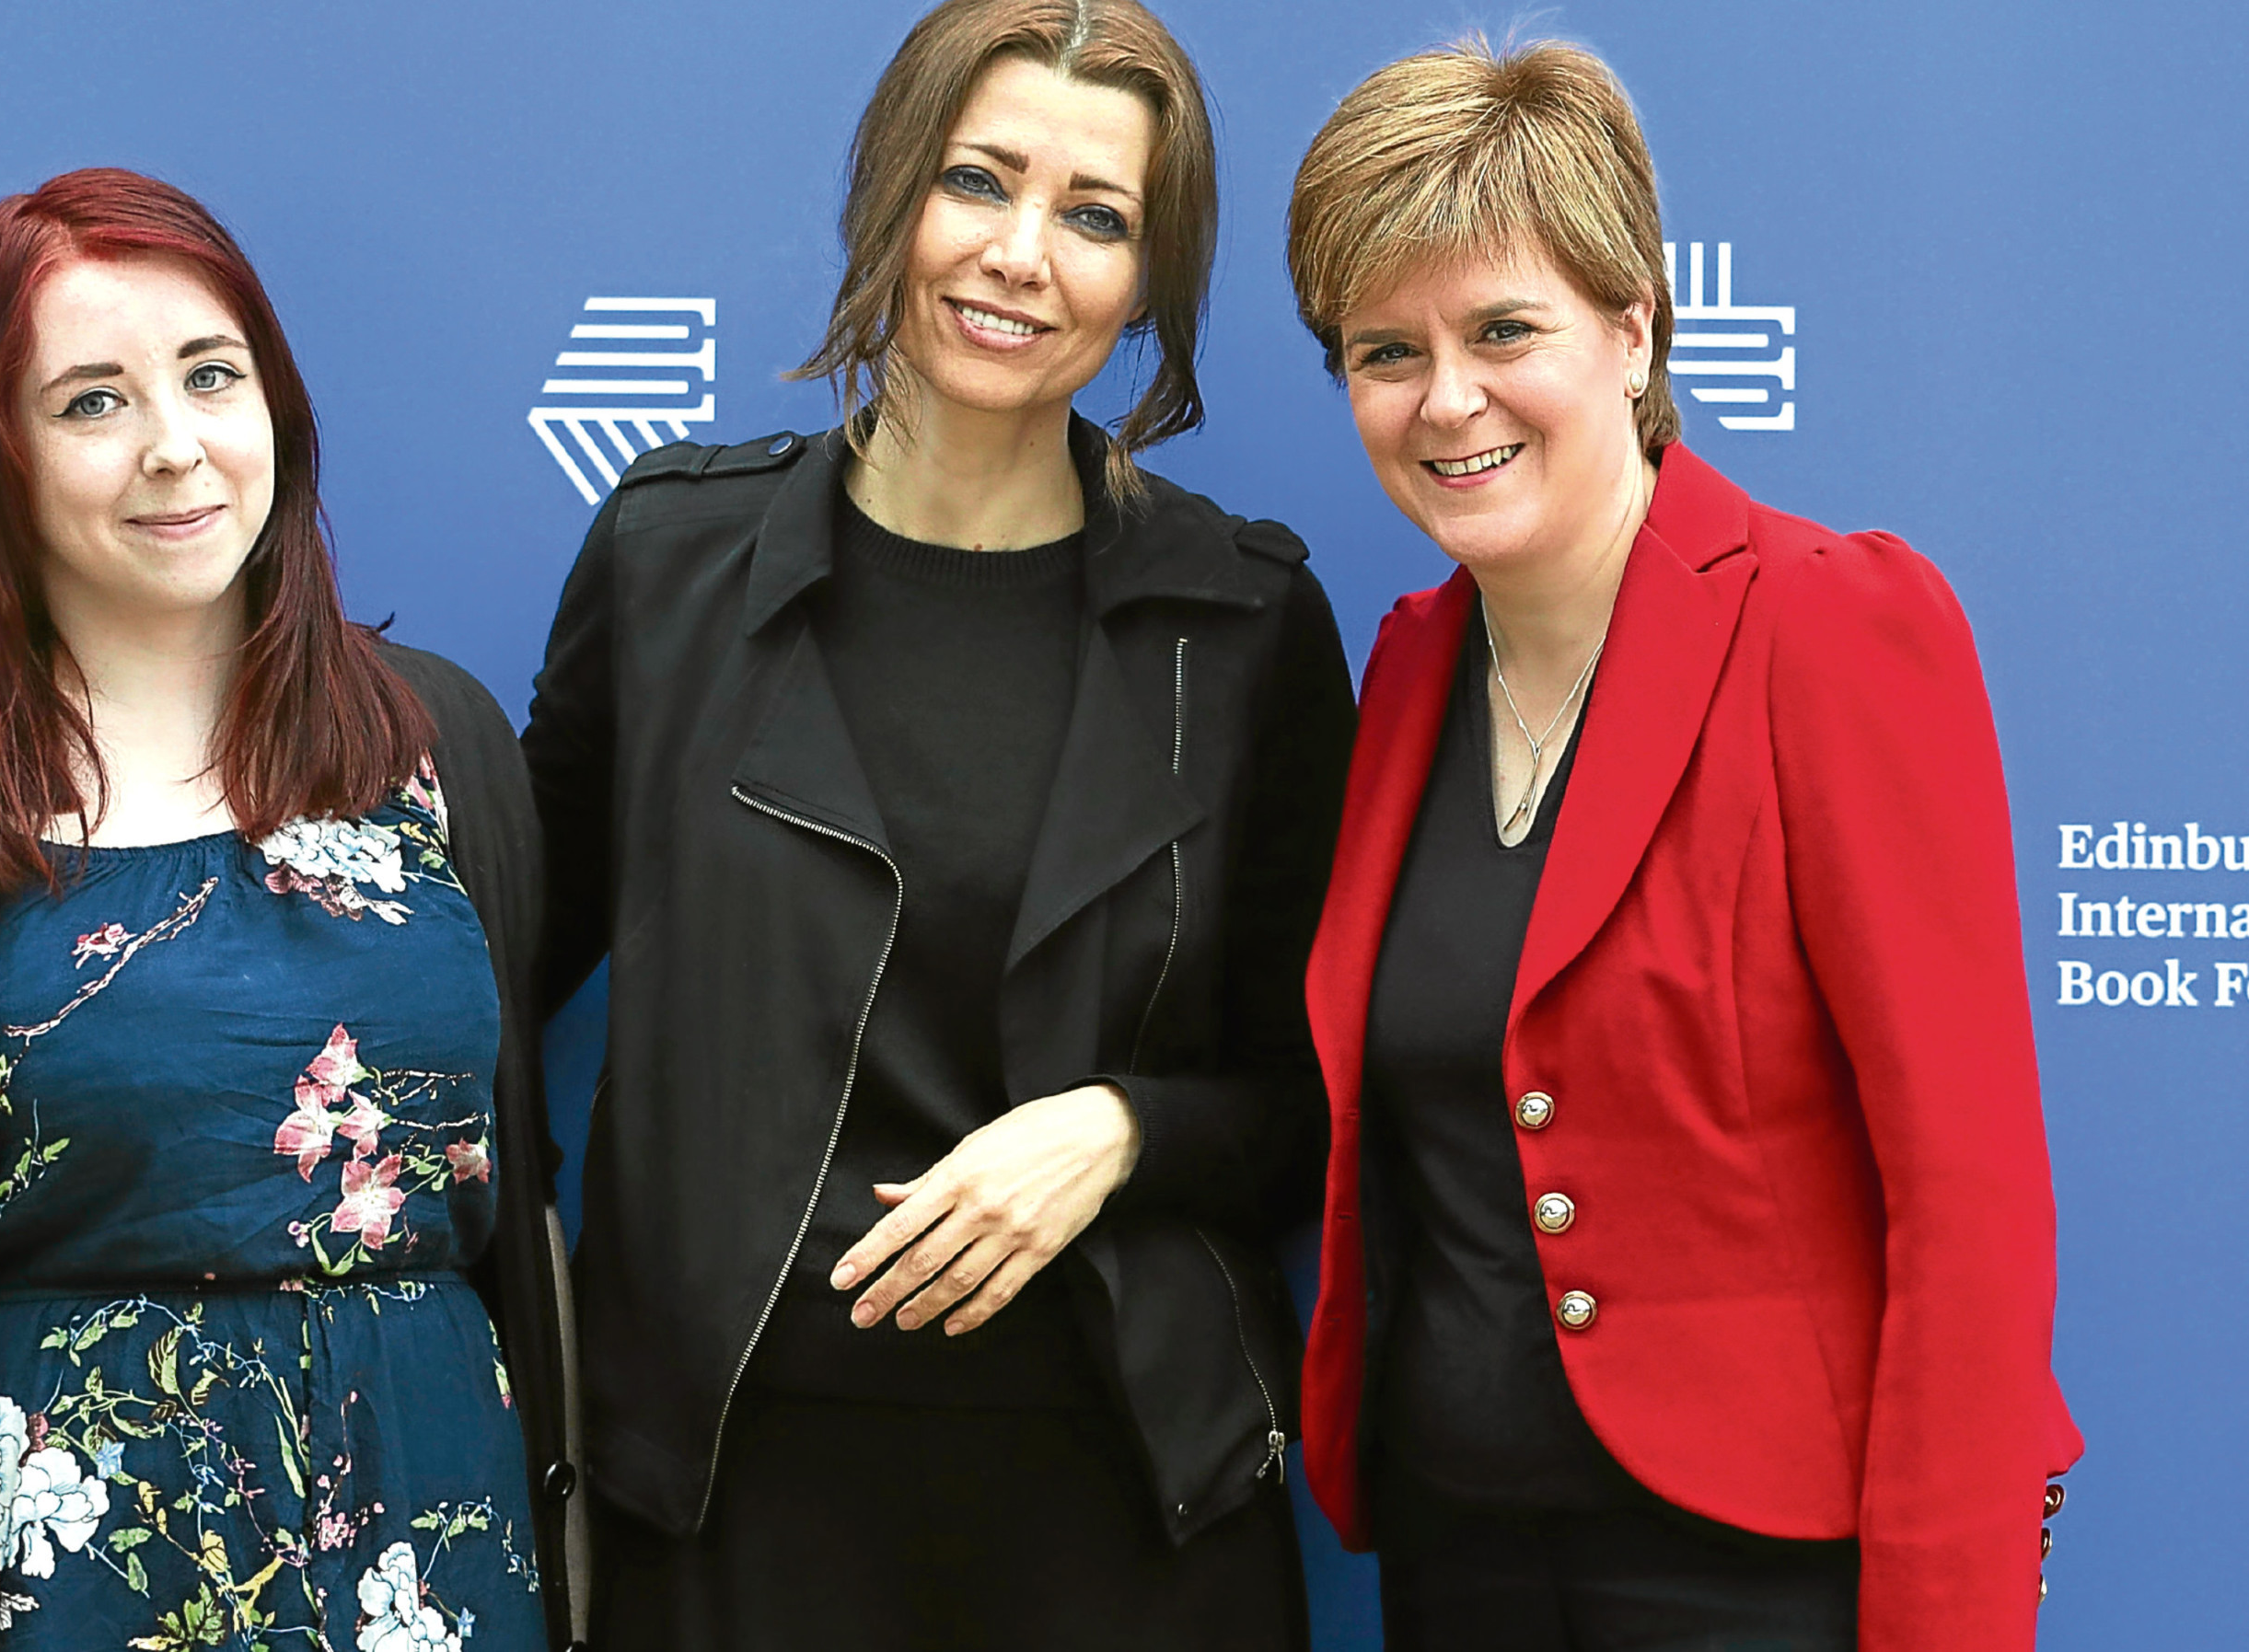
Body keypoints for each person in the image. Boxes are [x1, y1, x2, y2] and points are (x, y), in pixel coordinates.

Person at [520, 2, 1354, 1646]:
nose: (1022, 255)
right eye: (980, 180)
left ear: (1147, 287)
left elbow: (1319, 1096)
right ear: (895, 195)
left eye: (1097, 216)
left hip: (1126, 1501)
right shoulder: (670, 565)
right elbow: (482, 983)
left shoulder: (1240, 622)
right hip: (737, 1500)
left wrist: (1121, 1130)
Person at [0, 169, 576, 1652]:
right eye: (93, 402)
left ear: (277, 409)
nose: (176, 448)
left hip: (446, 1564)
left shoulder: (443, 746)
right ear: (5, 458)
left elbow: (522, 1200)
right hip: (70, 1591)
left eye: (211, 377)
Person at [1281, 40, 2083, 1652]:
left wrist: (1947, 1619)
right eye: (1387, 350)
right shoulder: (1407, 671)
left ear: (1636, 325)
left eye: (1505, 330)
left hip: (1758, 1575)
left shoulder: (1834, 628)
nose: (1447, 400)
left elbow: (1971, 1196)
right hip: (1456, 1562)